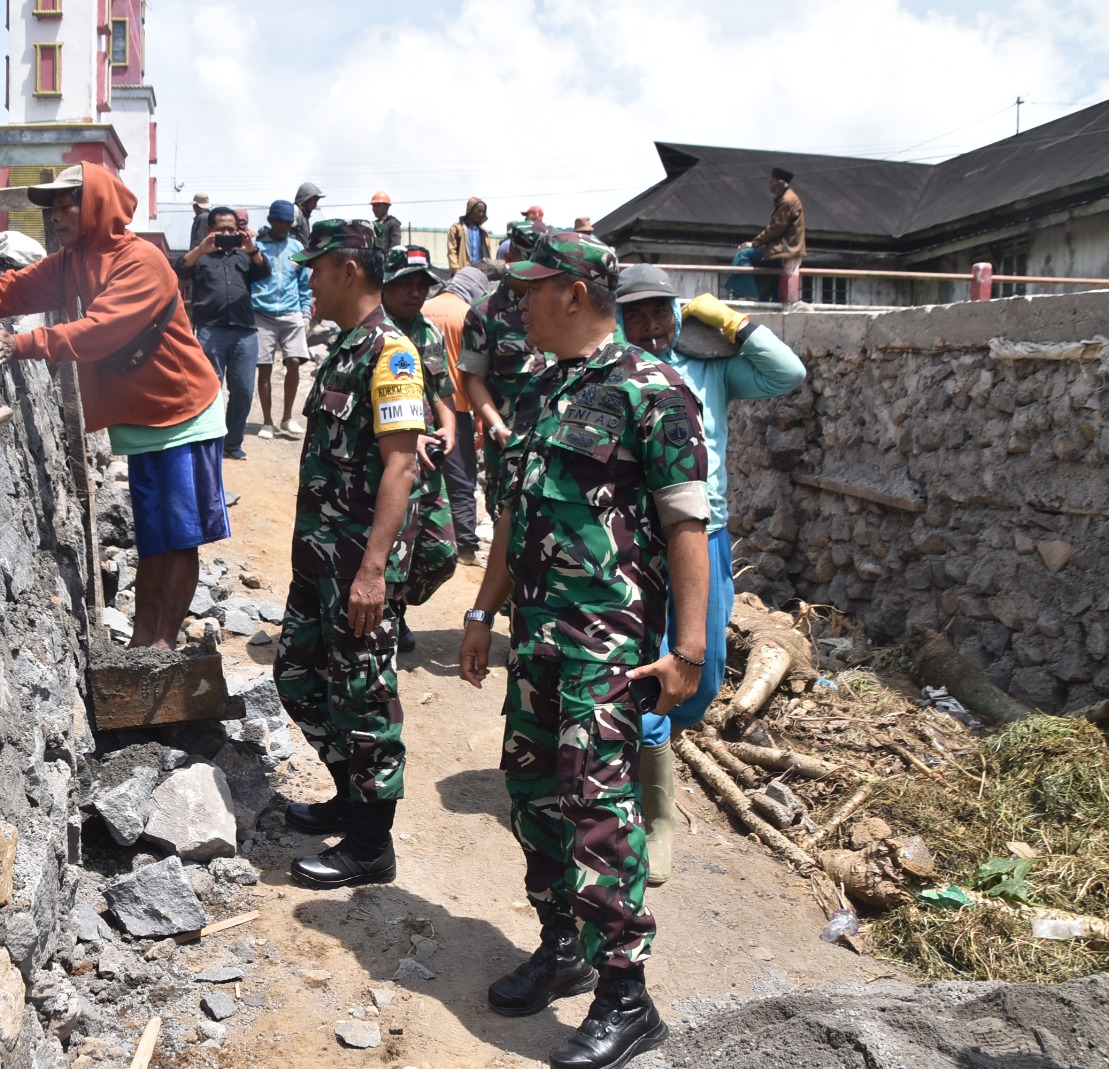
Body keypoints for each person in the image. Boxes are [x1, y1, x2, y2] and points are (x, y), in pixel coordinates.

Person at [458, 231, 710, 1069]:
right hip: (537, 636)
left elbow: (686, 525)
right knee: (532, 793)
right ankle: (561, 945)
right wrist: (482, 611)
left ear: (573, 292)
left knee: (598, 808)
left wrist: (690, 648)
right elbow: (514, 515)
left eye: (530, 289)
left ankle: (626, 995)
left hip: (609, 642)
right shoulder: (538, 390)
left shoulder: (655, 389)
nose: (516, 303)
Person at [0, 163, 225, 651]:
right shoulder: (74, 261)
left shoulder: (143, 261)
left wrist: (25, 343)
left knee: (179, 536)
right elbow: (10, 288)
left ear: (94, 203)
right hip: (141, 414)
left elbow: (102, 330)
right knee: (154, 537)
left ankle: (162, 645)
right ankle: (143, 642)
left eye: (65, 205)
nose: (56, 217)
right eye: (52, 209)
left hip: (182, 410)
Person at [613, 265, 806, 885]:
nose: (650, 327)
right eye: (636, 315)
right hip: (641, 540)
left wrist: (731, 321)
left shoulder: (710, 371)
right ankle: (652, 813)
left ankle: (648, 751)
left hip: (708, 537)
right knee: (646, 666)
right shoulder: (617, 374)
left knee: (704, 669)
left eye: (660, 313)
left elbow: (788, 374)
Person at [275, 219, 424, 891]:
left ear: (351, 270)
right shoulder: (344, 348)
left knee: (363, 697)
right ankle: (348, 795)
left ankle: (370, 845)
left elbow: (401, 467)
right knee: (298, 677)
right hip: (320, 559)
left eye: (317, 266)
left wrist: (373, 571)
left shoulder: (391, 354)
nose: (308, 278)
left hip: (357, 566)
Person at [380, 245, 457, 651]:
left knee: (441, 554)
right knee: (391, 549)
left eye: (421, 286)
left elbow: (441, 391)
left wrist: (449, 427)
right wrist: (415, 438)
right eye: (405, 284)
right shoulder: (375, 332)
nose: (415, 293)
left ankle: (397, 607)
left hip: (428, 465)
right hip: (388, 462)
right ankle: (389, 616)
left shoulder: (428, 332)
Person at [459, 221, 548, 524]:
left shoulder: (559, 306)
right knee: (506, 525)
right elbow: (474, 380)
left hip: (555, 439)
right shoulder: (485, 312)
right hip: (508, 443)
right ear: (510, 260)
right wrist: (497, 430)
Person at [179, 205, 270, 460]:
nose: (228, 232)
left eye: (232, 228)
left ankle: (232, 444)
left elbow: (264, 272)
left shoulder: (245, 256)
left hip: (245, 333)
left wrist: (252, 249)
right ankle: (207, 443)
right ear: (210, 230)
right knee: (208, 389)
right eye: (222, 229)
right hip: (211, 330)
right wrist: (201, 249)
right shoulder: (202, 257)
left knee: (242, 390)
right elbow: (180, 269)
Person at [422, 265, 491, 566]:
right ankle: (465, 546)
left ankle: (422, 536)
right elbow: (473, 368)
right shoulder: (469, 315)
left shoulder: (424, 308)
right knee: (461, 479)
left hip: (421, 406)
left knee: (420, 471)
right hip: (457, 406)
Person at [251, 199, 313, 440]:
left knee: (295, 361)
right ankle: (267, 422)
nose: (282, 226)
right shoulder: (256, 246)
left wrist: (306, 313)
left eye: (287, 222)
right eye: (278, 221)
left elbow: (304, 283)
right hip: (261, 313)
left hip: (291, 311)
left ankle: (287, 418)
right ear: (270, 221)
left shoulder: (297, 248)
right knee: (264, 367)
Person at [728, 167, 805, 302]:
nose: (770, 186)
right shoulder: (788, 198)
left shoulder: (787, 200)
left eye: (772, 182)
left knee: (743, 254)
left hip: (785, 249)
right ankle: (760, 296)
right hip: (784, 248)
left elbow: (775, 228)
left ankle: (750, 293)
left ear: (781, 183)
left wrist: (755, 243)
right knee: (767, 271)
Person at [446, 197, 492, 271]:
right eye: (478, 211)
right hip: (463, 272)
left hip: (479, 272)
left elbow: (487, 255)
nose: (481, 214)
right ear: (470, 210)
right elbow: (452, 252)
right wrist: (456, 270)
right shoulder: (457, 229)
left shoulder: (483, 232)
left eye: (483, 212)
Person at [291, 181, 323, 246]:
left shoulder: (304, 216)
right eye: (314, 201)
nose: (315, 205)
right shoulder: (295, 212)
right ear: (306, 199)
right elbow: (291, 238)